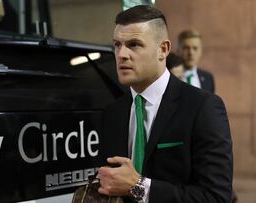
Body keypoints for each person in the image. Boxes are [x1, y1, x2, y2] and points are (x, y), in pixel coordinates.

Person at [98, 5, 232, 203]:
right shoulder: (112, 113)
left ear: (163, 49)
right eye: (117, 44)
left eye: (134, 44)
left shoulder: (202, 107)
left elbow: (216, 197)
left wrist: (139, 187)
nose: (121, 54)